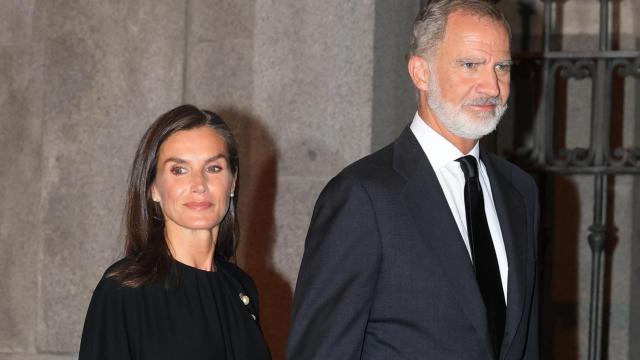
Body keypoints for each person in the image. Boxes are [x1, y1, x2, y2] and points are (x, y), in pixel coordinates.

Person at [287, 1, 539, 359]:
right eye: (470, 65)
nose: (492, 86)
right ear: (421, 73)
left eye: (501, 67)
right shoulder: (363, 196)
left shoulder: (519, 191)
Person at [79, 105, 271, 360]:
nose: (199, 185)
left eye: (213, 168)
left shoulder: (241, 287)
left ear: (233, 181)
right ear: (153, 188)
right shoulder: (123, 290)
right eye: (179, 170)